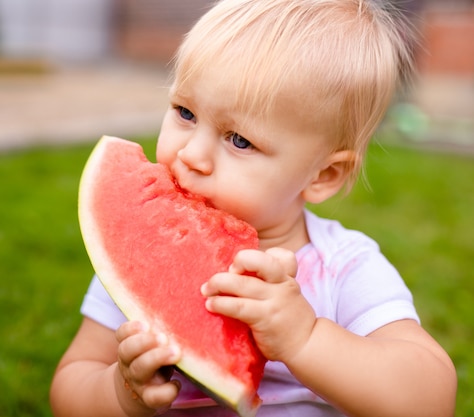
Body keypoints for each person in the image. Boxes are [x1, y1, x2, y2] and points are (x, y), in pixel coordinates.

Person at [50, 0, 457, 416]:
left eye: (239, 140)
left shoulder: (344, 268)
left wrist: (306, 338)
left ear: (323, 176)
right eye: (185, 112)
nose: (191, 155)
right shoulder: (139, 251)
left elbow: (431, 399)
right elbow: (71, 384)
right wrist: (121, 393)